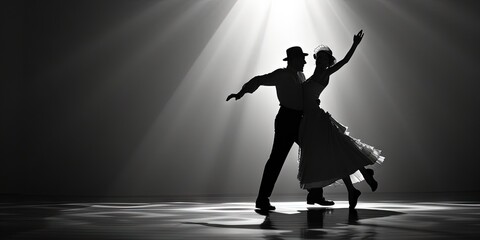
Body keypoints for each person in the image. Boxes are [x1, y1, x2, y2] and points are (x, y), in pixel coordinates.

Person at [227, 46, 334, 211]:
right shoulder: (281, 75)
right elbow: (258, 79)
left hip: (299, 120)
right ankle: (262, 198)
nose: (305, 61)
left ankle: (315, 194)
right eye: (302, 59)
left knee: (313, 152)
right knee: (276, 159)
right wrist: (241, 93)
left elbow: (304, 95)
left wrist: (313, 103)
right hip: (286, 120)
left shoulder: (300, 76)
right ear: (293, 60)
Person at [297, 30, 385, 209]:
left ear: (328, 62)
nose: (320, 61)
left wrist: (354, 44)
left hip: (317, 121)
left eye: (324, 59)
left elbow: (344, 61)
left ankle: (357, 185)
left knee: (337, 152)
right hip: (310, 121)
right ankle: (359, 182)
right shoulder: (311, 76)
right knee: (336, 154)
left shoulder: (325, 74)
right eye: (318, 59)